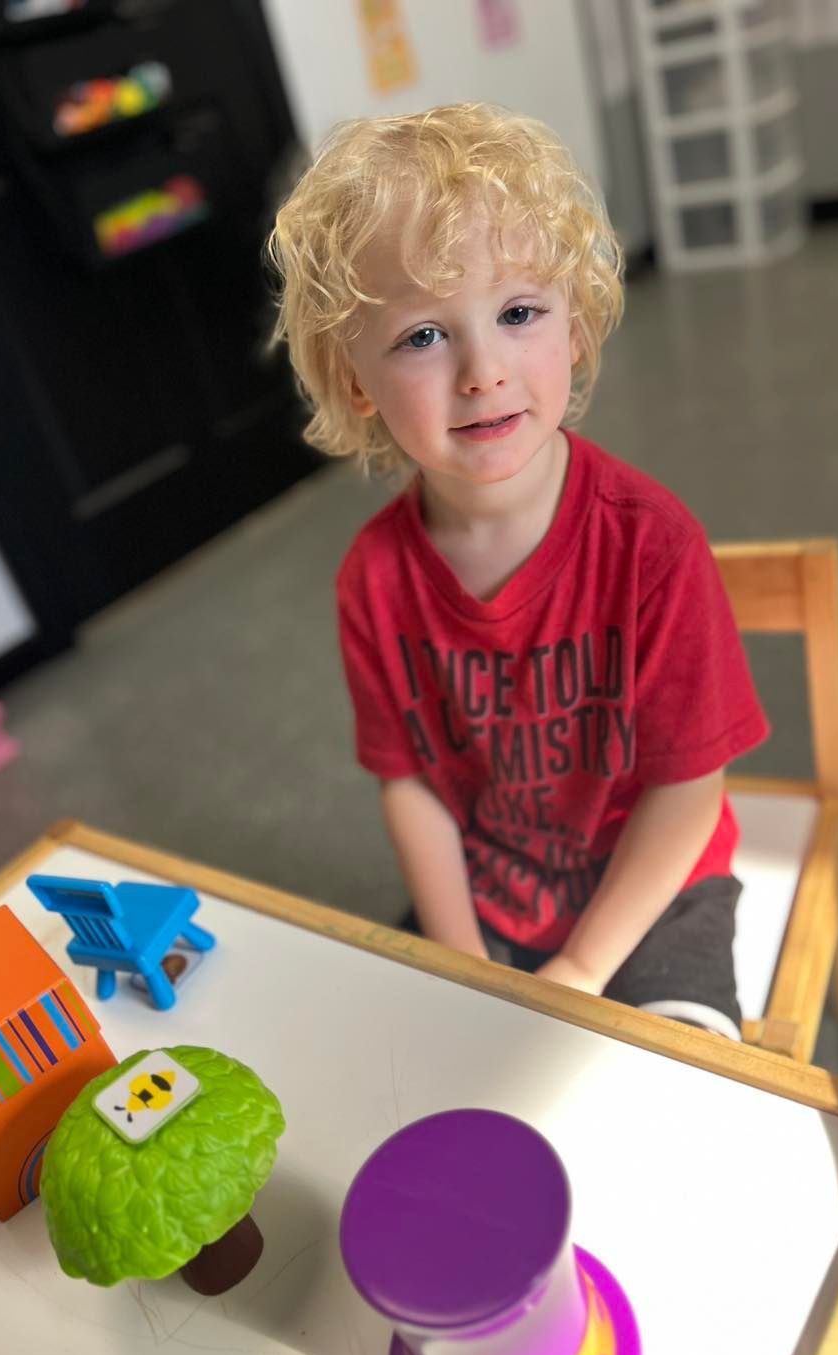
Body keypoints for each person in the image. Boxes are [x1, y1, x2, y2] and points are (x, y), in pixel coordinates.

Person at [267, 103, 768, 1039]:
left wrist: (580, 969)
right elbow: (410, 780)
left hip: (657, 890)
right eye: (422, 335)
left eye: (519, 313)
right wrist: (460, 957)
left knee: (680, 1083)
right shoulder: (373, 578)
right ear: (354, 383)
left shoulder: (653, 547)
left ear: (574, 326)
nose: (482, 370)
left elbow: (689, 786)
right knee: (402, 1062)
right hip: (489, 894)